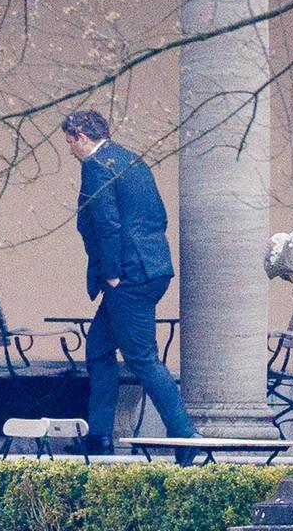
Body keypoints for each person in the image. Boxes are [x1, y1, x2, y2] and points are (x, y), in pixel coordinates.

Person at [62, 108, 199, 454]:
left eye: (69, 142)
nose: (70, 150)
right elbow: (158, 215)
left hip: (127, 275)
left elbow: (107, 224)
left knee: (141, 357)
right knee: (98, 349)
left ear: (81, 135)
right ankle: (100, 438)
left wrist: (111, 273)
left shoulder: (96, 166)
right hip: (150, 268)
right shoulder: (131, 160)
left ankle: (186, 437)